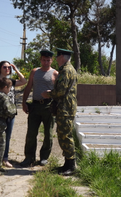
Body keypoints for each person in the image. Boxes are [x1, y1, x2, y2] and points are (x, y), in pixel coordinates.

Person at [41, 48, 78, 176]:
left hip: (66, 107)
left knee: (65, 135)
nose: (56, 58)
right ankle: (67, 164)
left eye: (57, 56)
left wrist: (48, 94)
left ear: (62, 56)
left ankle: (72, 166)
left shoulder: (66, 70)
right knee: (63, 134)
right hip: (65, 107)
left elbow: (61, 91)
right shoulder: (67, 69)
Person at [20, 49, 59, 167]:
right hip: (35, 106)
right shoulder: (34, 72)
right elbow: (28, 87)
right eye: (44, 60)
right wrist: (24, 102)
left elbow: (58, 91)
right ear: (40, 60)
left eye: (48, 60)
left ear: (51, 60)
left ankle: (44, 157)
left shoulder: (55, 74)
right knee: (31, 133)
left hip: (49, 106)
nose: (46, 62)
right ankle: (29, 158)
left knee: (48, 133)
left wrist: (56, 105)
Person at [0, 61, 26, 167]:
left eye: (9, 67)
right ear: (0, 68)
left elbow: (23, 81)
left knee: (7, 137)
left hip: (11, 114)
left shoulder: (10, 81)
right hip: (0, 115)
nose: (7, 69)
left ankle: (5, 158)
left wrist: (16, 69)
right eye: (5, 67)